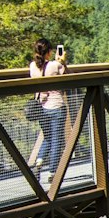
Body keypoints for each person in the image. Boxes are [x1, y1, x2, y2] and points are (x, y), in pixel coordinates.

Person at [29, 38, 68, 184]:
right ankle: (53, 172)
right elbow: (68, 76)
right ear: (49, 52)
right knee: (57, 140)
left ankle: (39, 162)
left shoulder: (33, 66)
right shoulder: (54, 65)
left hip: (42, 107)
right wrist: (62, 62)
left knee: (47, 137)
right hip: (57, 106)